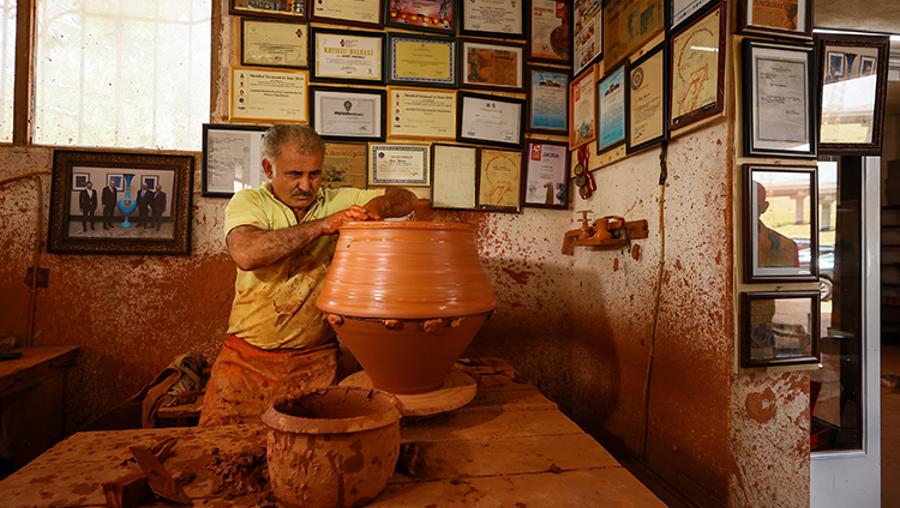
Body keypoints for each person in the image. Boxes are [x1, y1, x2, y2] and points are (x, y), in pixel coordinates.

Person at [199, 125, 427, 426]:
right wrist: (324, 225)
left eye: (315, 174)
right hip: (246, 360)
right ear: (269, 168)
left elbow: (407, 198)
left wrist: (377, 207)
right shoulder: (250, 202)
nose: (306, 186)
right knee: (217, 448)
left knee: (314, 453)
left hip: (316, 359)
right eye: (295, 174)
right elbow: (246, 253)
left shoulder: (340, 200)